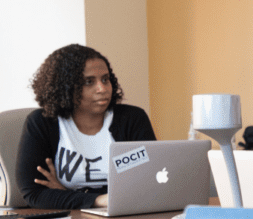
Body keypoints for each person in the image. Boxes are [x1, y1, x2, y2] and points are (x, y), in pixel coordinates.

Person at [17, 44, 156, 210]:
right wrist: (98, 200)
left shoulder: (132, 119)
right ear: (65, 88)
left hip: (126, 214)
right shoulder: (43, 122)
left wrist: (67, 193)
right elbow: (34, 193)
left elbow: (147, 180)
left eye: (105, 79)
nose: (102, 89)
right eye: (89, 82)